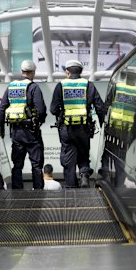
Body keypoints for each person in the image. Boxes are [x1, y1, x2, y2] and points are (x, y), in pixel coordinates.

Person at [50, 59, 106, 188]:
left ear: (67, 72)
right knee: (83, 152)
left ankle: (70, 185)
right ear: (80, 72)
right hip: (84, 127)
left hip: (66, 128)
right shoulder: (88, 85)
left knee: (68, 156)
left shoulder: (61, 85)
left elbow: (53, 109)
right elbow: (100, 107)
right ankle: (84, 175)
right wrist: (103, 125)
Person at [0, 60, 47, 190]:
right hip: (32, 132)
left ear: (21, 72)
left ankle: (17, 191)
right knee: (36, 164)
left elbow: (1, 109)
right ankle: (38, 192)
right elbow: (41, 110)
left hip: (16, 133)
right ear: (33, 73)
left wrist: (1, 130)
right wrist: (39, 122)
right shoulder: (33, 87)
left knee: (17, 164)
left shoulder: (11, 87)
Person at [100, 65, 136, 186]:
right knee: (122, 159)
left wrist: (104, 123)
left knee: (108, 154)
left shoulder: (117, 87)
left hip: (113, 130)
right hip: (129, 133)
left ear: (126, 76)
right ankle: (119, 185)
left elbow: (106, 106)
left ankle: (106, 178)